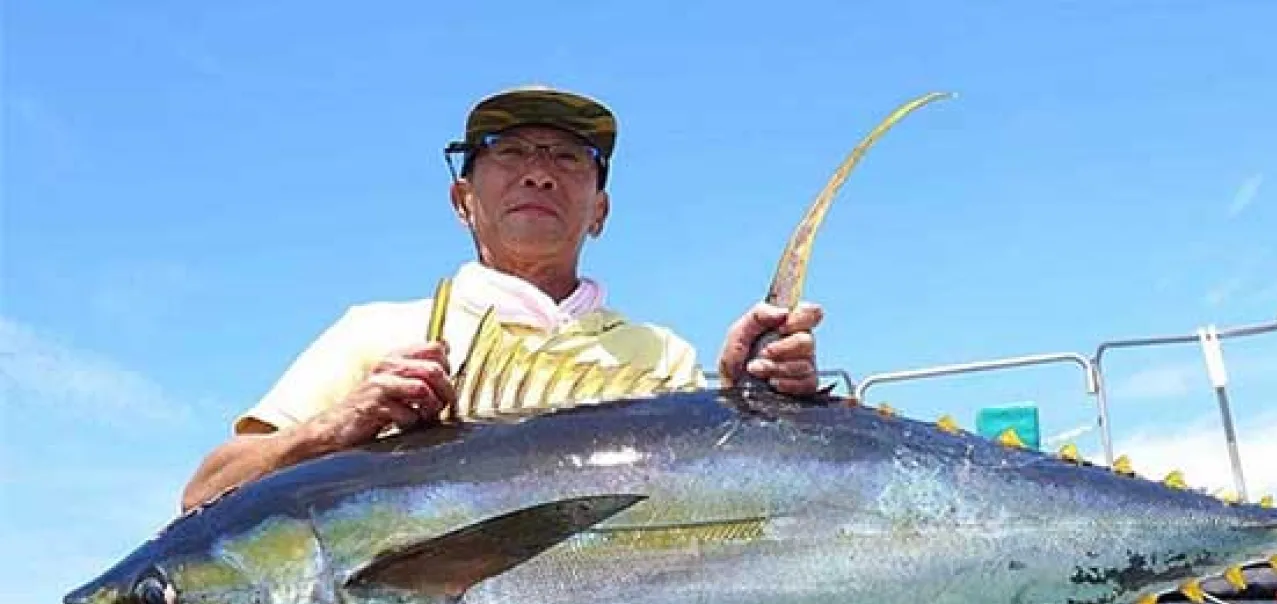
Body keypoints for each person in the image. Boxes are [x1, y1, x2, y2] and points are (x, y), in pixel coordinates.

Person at [181, 85, 823, 511]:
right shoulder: (375, 330)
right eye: (508, 151)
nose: (539, 170)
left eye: (571, 158)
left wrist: (749, 408)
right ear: (462, 200)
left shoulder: (660, 353)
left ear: (599, 211)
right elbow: (204, 494)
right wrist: (339, 424)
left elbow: (704, 513)